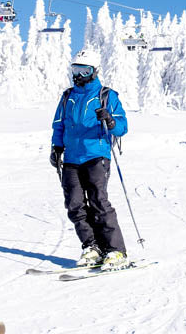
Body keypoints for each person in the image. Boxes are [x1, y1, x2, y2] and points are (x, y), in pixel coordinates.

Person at [50, 48, 129, 271]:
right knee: (74, 205)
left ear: (94, 71)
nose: (78, 74)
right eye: (75, 69)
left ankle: (115, 251)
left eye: (83, 70)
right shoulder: (68, 96)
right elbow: (59, 125)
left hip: (96, 155)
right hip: (72, 158)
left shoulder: (106, 95)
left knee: (98, 202)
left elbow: (123, 127)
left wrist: (110, 121)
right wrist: (56, 148)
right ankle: (92, 247)